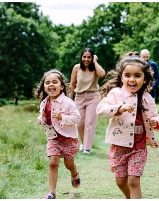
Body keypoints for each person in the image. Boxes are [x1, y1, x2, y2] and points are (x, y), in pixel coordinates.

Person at [96, 56, 159, 199]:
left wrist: (155, 122)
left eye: (137, 76)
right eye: (127, 75)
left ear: (144, 79)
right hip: (119, 145)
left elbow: (156, 116)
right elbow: (100, 110)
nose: (132, 79)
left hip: (138, 147)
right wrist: (118, 108)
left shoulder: (147, 98)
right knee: (121, 181)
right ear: (122, 77)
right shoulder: (116, 93)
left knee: (134, 180)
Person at [34, 69, 81, 199]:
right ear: (44, 86)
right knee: (53, 162)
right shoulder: (44, 102)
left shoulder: (68, 102)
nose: (51, 84)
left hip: (68, 139)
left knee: (68, 164)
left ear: (61, 86)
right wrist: (40, 119)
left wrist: (63, 117)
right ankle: (52, 192)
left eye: (55, 82)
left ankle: (74, 172)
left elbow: (77, 118)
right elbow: (43, 115)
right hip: (53, 138)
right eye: (47, 82)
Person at [69, 48, 106, 154]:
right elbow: (72, 84)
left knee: (89, 123)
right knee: (79, 123)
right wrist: (69, 99)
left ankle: (87, 148)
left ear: (92, 57)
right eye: (84, 57)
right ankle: (84, 143)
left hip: (93, 97)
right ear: (81, 57)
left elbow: (102, 74)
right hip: (79, 97)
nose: (86, 59)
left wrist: (95, 61)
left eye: (89, 57)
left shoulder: (95, 68)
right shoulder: (76, 68)